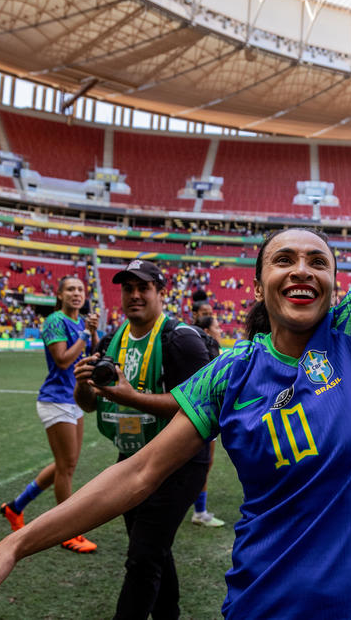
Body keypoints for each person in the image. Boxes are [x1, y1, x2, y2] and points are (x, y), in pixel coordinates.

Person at [0, 0, 351, 620]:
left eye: (317, 261)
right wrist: (17, 543)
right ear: (261, 282)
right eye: (283, 260)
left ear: (336, 280)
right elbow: (138, 474)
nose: (302, 271)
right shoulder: (231, 375)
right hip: (264, 607)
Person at [75, 259, 214, 619]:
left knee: (142, 558)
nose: (134, 295)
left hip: (179, 462)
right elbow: (89, 404)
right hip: (132, 457)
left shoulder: (182, 340)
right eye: (128, 288)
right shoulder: (111, 340)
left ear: (161, 293)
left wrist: (129, 397)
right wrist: (82, 384)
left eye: (143, 288)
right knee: (153, 551)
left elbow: (197, 409)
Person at [0, 275, 99, 554]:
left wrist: (91, 331)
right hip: (55, 400)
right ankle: (67, 533)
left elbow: (92, 351)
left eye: (80, 289)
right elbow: (64, 360)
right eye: (70, 289)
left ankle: (15, 507)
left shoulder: (81, 322)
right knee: (66, 467)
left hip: (73, 398)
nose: (76, 294)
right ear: (60, 294)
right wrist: (83, 334)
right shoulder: (55, 321)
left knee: (65, 465)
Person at [190, 306, 226, 528]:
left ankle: (198, 509)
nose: (220, 329)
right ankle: (199, 512)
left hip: (204, 413)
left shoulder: (208, 347)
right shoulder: (204, 350)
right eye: (217, 327)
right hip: (203, 414)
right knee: (202, 464)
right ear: (206, 330)